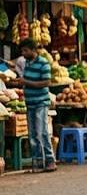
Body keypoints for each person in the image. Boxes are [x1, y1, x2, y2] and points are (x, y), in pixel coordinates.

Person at [13, 39, 56, 173]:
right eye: (22, 51)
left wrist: (25, 81)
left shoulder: (43, 63)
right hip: (30, 102)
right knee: (32, 134)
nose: (23, 53)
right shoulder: (26, 63)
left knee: (41, 131)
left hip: (41, 102)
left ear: (33, 50)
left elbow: (46, 82)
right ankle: (37, 162)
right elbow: (26, 80)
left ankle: (50, 161)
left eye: (26, 50)